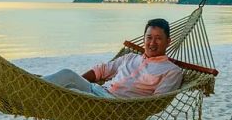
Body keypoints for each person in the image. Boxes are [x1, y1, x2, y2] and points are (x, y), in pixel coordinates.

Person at [42, 19, 183, 98]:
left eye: (158, 38)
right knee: (67, 76)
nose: (152, 43)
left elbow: (156, 102)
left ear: (168, 41)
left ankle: (35, 93)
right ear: (144, 39)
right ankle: (31, 89)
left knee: (68, 95)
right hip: (97, 91)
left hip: (114, 105)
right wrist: (82, 83)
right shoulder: (130, 57)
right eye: (149, 37)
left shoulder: (171, 71)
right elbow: (101, 71)